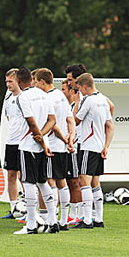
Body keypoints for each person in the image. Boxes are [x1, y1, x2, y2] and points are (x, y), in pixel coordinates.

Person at [13, 67, 59, 235]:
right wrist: (43, 136)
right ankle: (53, 222)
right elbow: (52, 121)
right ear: (31, 80)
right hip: (41, 144)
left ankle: (31, 225)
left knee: (29, 183)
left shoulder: (22, 97)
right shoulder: (44, 95)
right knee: (42, 181)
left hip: (28, 145)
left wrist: (38, 136)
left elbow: (31, 123)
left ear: (19, 81)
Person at [35, 68, 75, 230]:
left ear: (42, 82)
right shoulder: (61, 96)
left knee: (49, 182)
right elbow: (70, 119)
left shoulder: (47, 98)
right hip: (62, 147)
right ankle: (63, 220)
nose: (35, 85)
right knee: (62, 182)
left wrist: (64, 138)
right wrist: (70, 139)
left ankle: (51, 219)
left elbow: (53, 124)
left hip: (51, 144)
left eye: (36, 82)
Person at [73, 73, 114, 229]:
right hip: (98, 147)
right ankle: (99, 219)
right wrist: (106, 146)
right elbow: (110, 125)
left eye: (80, 89)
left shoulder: (88, 100)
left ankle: (88, 220)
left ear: (84, 86)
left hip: (87, 146)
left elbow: (75, 120)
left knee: (84, 181)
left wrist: (76, 103)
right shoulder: (103, 101)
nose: (80, 93)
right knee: (95, 183)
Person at [1, 68, 25, 219]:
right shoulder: (8, 99)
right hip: (11, 142)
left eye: (11, 81)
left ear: (18, 81)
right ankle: (14, 208)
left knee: (26, 176)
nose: (8, 84)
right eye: (7, 82)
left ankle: (29, 207)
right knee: (11, 175)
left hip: (24, 142)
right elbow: (10, 119)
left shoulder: (25, 97)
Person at [61, 80, 82, 224]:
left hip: (73, 148)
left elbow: (75, 122)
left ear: (71, 91)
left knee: (75, 181)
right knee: (67, 181)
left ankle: (77, 213)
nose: (62, 92)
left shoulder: (76, 105)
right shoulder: (65, 106)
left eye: (64, 89)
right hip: (64, 147)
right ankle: (70, 213)